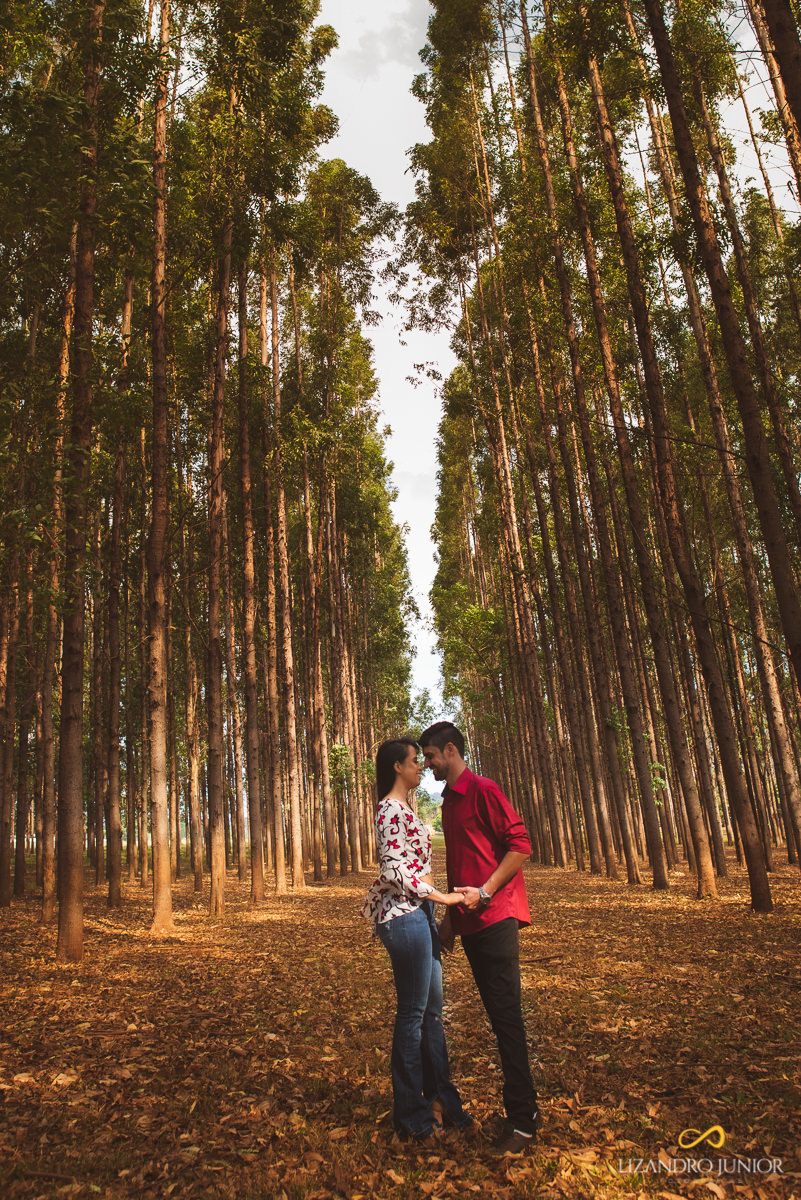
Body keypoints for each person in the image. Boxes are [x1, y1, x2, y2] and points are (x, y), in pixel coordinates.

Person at [419, 721, 540, 1155]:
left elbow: (522, 845)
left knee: (506, 1018)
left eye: (430, 756)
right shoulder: (449, 801)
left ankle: (523, 1121)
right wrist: (451, 919)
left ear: (450, 751)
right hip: (470, 923)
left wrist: (486, 892)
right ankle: (524, 1111)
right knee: (497, 1016)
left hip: (496, 918)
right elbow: (462, 864)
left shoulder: (484, 789)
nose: (427, 764)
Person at [361, 737, 476, 1145]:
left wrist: (435, 901)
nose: (421, 766)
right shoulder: (389, 809)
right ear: (397, 766)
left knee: (431, 1014)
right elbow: (394, 870)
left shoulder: (404, 807)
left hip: (419, 913)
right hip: (404, 916)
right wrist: (441, 896)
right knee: (413, 1015)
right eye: (415, 761)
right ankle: (411, 1116)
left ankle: (443, 1103)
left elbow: (413, 862)